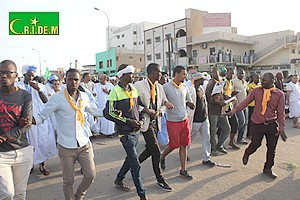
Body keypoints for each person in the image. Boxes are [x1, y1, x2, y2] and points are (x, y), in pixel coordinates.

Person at [32, 68, 103, 200]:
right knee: (68, 181)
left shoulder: (84, 96)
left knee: (90, 175)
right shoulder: (57, 98)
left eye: (76, 79)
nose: (73, 82)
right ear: (65, 80)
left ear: (79, 80)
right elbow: (42, 116)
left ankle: (79, 196)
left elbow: (94, 111)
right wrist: (30, 120)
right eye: (70, 79)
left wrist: (110, 113)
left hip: (83, 144)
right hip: (66, 146)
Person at [225, 73, 287, 179]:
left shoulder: (279, 94)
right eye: (262, 80)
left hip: (271, 124)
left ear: (272, 81)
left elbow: (281, 112)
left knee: (272, 148)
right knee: (256, 144)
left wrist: (281, 128)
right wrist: (234, 111)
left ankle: (268, 168)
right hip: (257, 123)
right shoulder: (256, 91)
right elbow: (245, 102)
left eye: (265, 80)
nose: (262, 82)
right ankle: (247, 152)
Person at [103, 64, 147, 200]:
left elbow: (140, 107)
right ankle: (142, 195)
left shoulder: (133, 89)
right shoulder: (114, 91)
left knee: (130, 158)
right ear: (122, 75)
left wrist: (141, 119)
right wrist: (128, 121)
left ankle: (119, 179)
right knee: (135, 163)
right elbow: (109, 113)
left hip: (136, 131)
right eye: (130, 74)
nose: (133, 76)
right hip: (125, 133)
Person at [134, 63, 174, 192]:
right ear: (152, 72)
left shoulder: (159, 87)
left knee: (150, 150)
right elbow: (134, 104)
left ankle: (130, 167)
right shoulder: (139, 86)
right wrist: (146, 110)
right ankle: (160, 180)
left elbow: (163, 102)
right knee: (156, 151)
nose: (161, 74)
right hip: (145, 122)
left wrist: (161, 111)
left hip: (156, 121)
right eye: (159, 72)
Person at [0, 60, 33, 199]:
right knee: (7, 194)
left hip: (22, 151)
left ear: (16, 75)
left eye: (8, 72)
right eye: (1, 72)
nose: (4, 76)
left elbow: (27, 125)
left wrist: (4, 136)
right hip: (1, 154)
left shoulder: (25, 96)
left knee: (20, 194)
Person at [16, 65, 56, 176]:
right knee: (28, 144)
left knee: (41, 142)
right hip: (23, 120)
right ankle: (30, 165)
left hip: (38, 120)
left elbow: (45, 101)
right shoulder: (17, 86)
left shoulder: (39, 86)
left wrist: (38, 90)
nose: (31, 78)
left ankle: (42, 165)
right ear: (24, 75)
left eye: (33, 76)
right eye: (29, 75)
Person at [160, 65, 195, 180]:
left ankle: (183, 170)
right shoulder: (166, 87)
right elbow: (161, 100)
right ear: (176, 74)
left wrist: (190, 104)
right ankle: (162, 156)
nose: (185, 76)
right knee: (173, 145)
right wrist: (166, 104)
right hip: (172, 121)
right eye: (183, 74)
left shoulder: (184, 87)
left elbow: (187, 100)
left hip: (184, 119)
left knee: (184, 145)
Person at [187, 73, 215, 167]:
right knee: (190, 138)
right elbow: (187, 103)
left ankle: (206, 158)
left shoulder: (201, 89)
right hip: (195, 120)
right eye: (202, 79)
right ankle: (184, 152)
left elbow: (204, 103)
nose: (203, 81)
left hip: (204, 118)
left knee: (206, 138)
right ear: (198, 80)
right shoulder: (190, 90)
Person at [206, 68, 230, 156]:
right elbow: (209, 99)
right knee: (213, 132)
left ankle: (220, 145)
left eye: (217, 73)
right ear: (211, 73)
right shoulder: (210, 84)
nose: (215, 74)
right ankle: (213, 149)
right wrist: (219, 103)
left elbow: (221, 94)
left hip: (221, 111)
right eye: (213, 73)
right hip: (213, 111)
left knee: (227, 129)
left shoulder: (220, 83)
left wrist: (227, 97)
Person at [232, 69, 249, 145]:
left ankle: (240, 138)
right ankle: (233, 133)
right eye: (240, 73)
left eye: (243, 74)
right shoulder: (234, 81)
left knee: (245, 122)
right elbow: (231, 92)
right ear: (237, 74)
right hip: (238, 105)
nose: (241, 75)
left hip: (245, 104)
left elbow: (247, 92)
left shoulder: (245, 82)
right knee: (242, 121)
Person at [247, 73, 261, 138]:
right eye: (256, 78)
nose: (258, 79)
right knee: (251, 120)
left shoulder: (260, 85)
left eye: (259, 78)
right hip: (251, 105)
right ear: (253, 78)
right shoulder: (250, 85)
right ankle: (249, 134)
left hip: (258, 105)